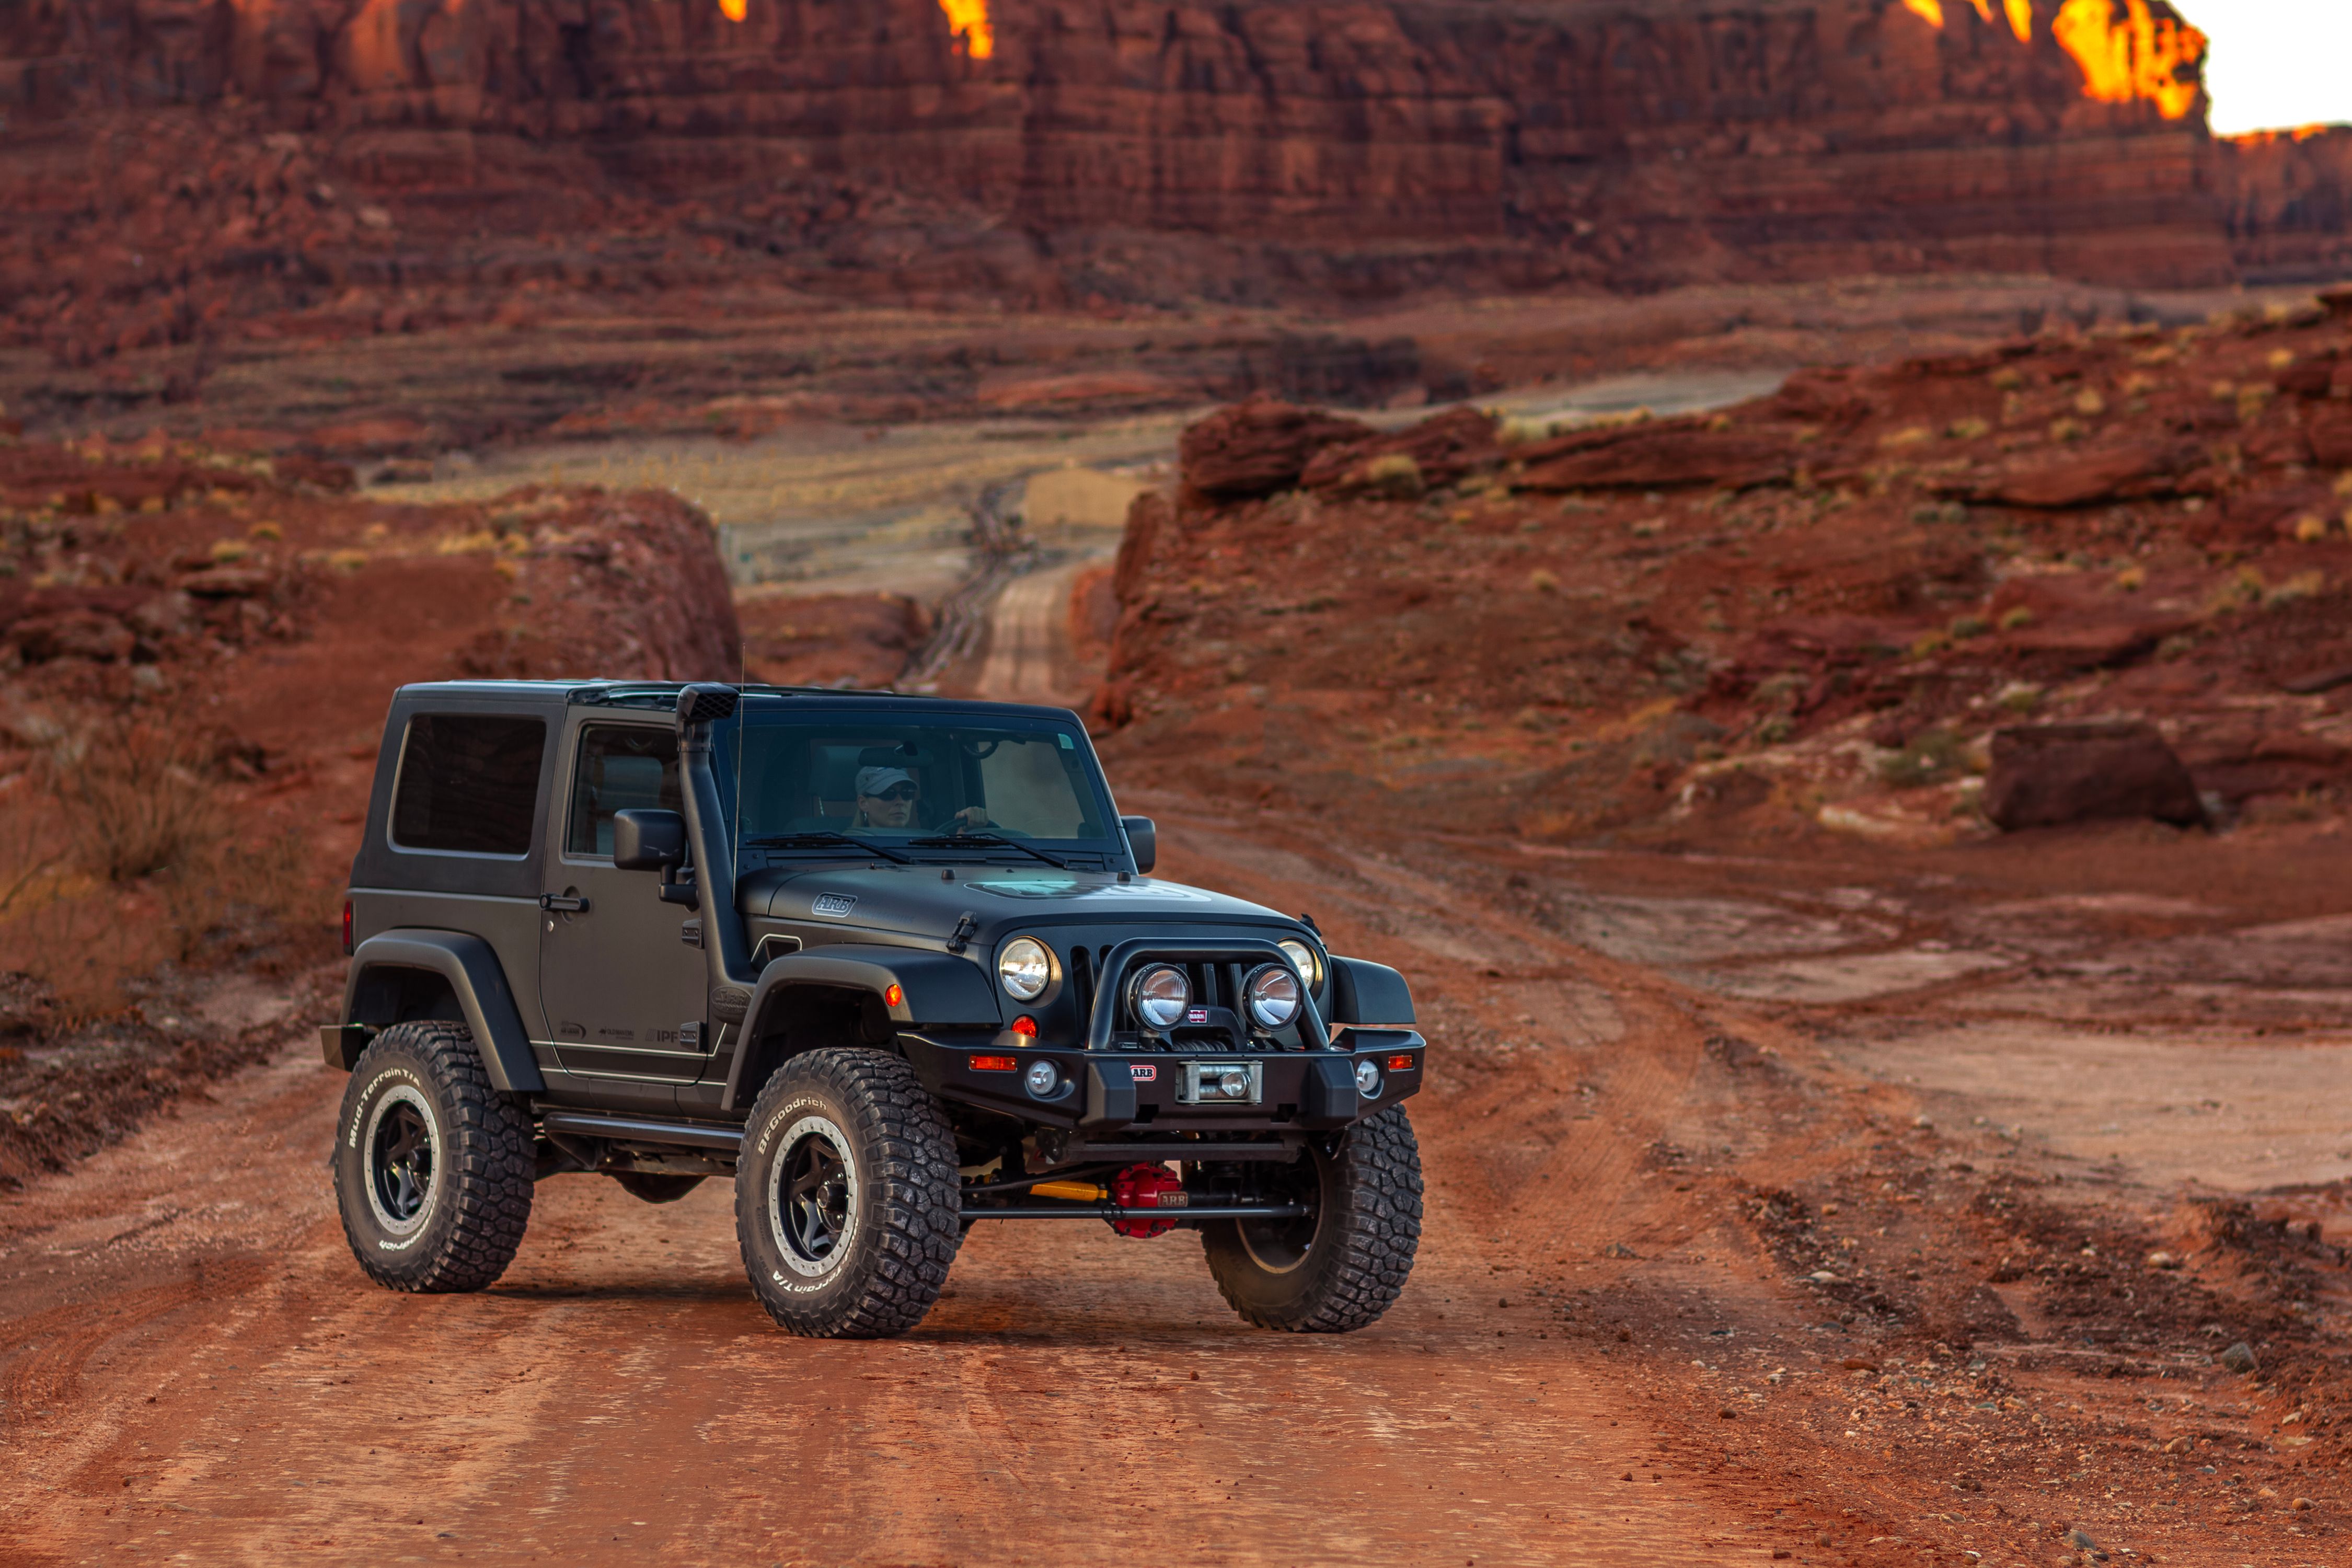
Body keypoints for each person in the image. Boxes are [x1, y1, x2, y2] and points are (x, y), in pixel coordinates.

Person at [850, 766, 988, 833]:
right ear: (863, 803)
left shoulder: (925, 845)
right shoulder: (844, 849)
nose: (900, 801)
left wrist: (967, 830)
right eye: (888, 794)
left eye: (907, 793)